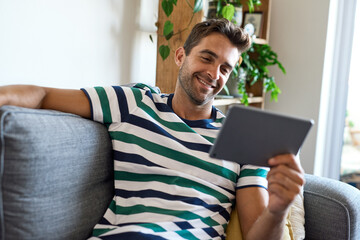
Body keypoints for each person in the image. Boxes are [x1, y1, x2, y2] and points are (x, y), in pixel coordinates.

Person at [0, 18, 304, 240]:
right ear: (181, 55)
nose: (214, 74)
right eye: (207, 58)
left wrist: (278, 209)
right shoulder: (134, 102)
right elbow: (41, 95)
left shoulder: (243, 139)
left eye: (225, 68)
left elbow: (256, 236)